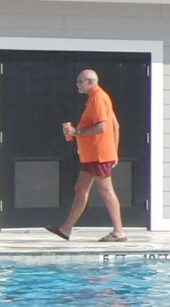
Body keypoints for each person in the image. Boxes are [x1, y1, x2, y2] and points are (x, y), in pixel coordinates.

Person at [46, 68, 125, 242]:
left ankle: (119, 232)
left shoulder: (98, 98)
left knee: (106, 191)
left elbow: (102, 127)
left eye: (80, 81)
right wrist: (115, 151)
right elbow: (115, 125)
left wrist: (76, 132)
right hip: (92, 155)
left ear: (90, 82)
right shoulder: (97, 98)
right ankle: (65, 229)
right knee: (81, 188)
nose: (78, 85)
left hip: (99, 155)